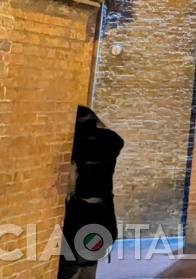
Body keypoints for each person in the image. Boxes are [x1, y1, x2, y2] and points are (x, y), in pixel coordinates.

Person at [59, 106, 125, 279]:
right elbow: (116, 140)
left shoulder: (77, 147)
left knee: (70, 264)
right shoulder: (110, 144)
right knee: (88, 264)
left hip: (80, 213)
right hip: (102, 213)